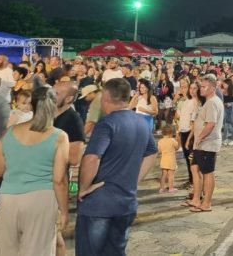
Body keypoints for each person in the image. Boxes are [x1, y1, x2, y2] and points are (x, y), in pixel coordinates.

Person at [75, 78, 158, 255]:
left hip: (99, 205)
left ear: (105, 98)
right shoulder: (141, 123)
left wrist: (83, 188)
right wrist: (134, 181)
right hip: (126, 203)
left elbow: (92, 158)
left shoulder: (107, 123)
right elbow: (151, 152)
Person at [0, 86, 69, 255]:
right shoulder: (59, 136)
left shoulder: (10, 133)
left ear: (32, 105)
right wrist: (64, 211)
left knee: (6, 250)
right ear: (53, 105)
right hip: (41, 199)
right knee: (37, 249)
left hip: (8, 198)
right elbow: (59, 180)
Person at [184, 75, 224, 213]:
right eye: (201, 86)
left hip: (207, 143)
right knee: (194, 168)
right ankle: (196, 198)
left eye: (204, 86)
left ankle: (206, 203)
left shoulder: (213, 102)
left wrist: (200, 137)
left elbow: (211, 124)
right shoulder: (209, 102)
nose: (201, 88)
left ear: (212, 88)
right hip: (200, 144)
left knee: (208, 173)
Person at [176, 81, 199, 188]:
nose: (192, 90)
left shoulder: (197, 103)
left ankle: (195, 181)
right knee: (187, 158)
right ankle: (191, 179)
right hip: (183, 131)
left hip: (191, 133)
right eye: (191, 88)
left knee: (191, 158)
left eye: (195, 88)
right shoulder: (187, 101)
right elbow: (182, 118)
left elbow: (193, 122)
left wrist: (190, 137)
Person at [157, 124, 180, 193]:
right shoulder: (172, 140)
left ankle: (161, 188)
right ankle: (171, 188)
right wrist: (179, 141)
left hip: (163, 159)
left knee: (163, 175)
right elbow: (177, 148)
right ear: (171, 133)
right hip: (171, 160)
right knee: (171, 175)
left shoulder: (160, 141)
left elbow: (159, 151)